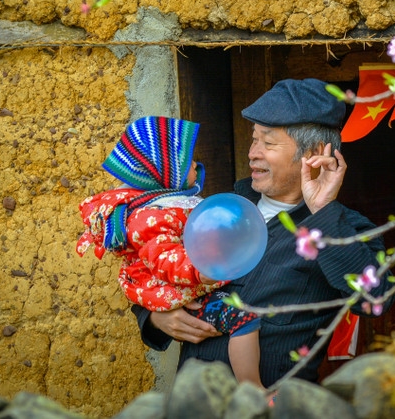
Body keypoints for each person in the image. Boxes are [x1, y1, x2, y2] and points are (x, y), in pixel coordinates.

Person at [131, 78, 394, 387]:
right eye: (254, 140)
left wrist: (323, 211)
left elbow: (373, 300)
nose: (253, 153)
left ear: (314, 153)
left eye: (268, 143)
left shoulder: (345, 230)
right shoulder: (214, 211)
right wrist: (156, 317)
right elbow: (149, 267)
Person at [76, 116, 263, 387]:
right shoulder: (153, 216)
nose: (197, 166)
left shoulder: (170, 205)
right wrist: (201, 271)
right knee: (243, 320)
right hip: (181, 288)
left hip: (190, 287)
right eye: (188, 163)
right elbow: (165, 258)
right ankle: (254, 388)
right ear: (165, 171)